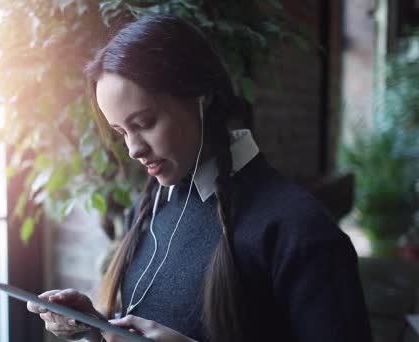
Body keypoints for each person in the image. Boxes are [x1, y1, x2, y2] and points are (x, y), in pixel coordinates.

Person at [27, 14, 373, 342]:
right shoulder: (150, 207)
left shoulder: (299, 231)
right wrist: (95, 324)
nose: (133, 149)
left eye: (144, 123)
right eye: (121, 131)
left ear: (202, 97)